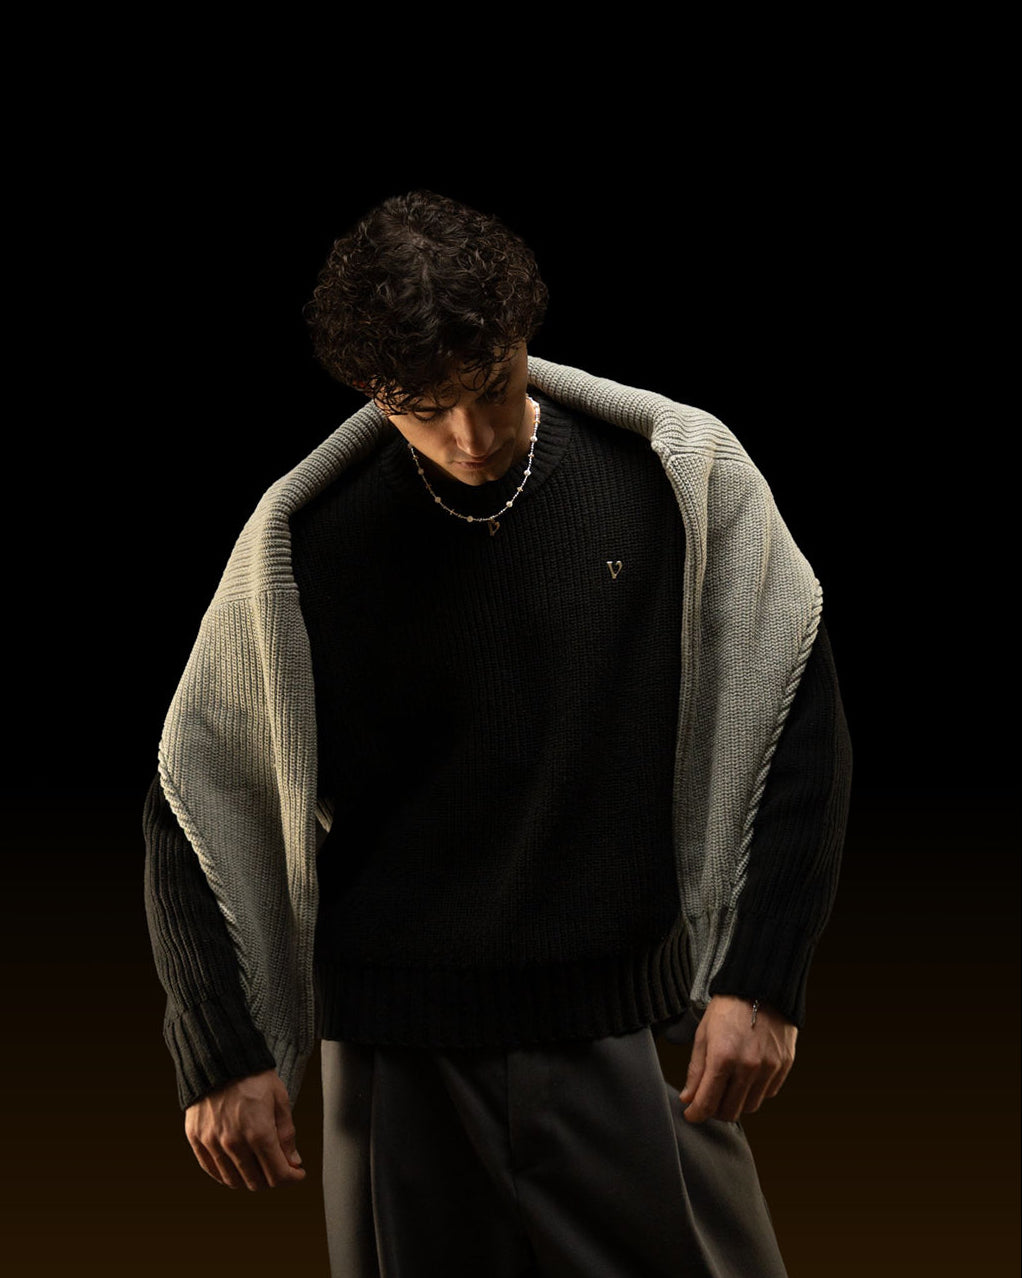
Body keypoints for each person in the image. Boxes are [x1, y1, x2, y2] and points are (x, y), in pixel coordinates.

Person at [144, 190, 852, 1277]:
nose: (468, 438)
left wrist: (760, 979)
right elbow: (197, 792)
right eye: (423, 410)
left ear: (524, 336)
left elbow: (793, 714)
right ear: (371, 395)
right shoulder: (304, 541)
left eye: (490, 388)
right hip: (395, 1059)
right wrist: (221, 1049)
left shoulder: (676, 478)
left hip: (629, 1031)